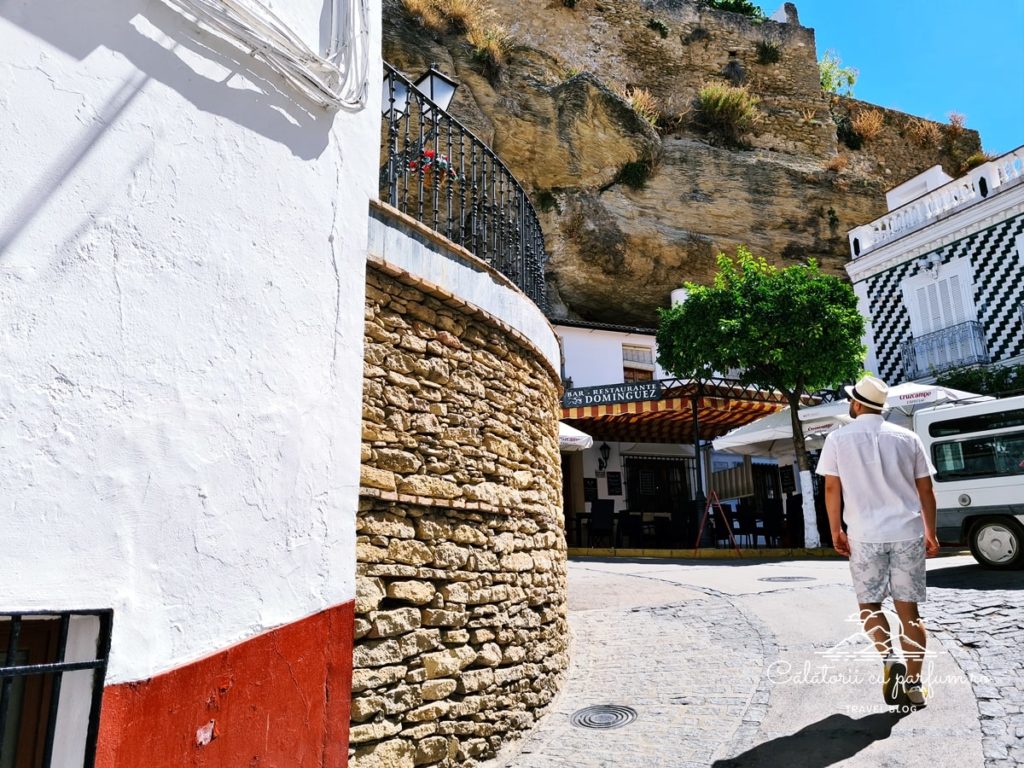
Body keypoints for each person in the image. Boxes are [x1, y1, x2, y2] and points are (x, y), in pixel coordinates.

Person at [815, 375, 939, 709]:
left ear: (856, 404)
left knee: (870, 606)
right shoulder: (908, 437)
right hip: (907, 533)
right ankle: (912, 685)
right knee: (909, 613)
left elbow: (831, 489)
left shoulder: (838, 439)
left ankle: (889, 659)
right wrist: (931, 531)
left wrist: (834, 531)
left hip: (864, 535)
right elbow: (926, 489)